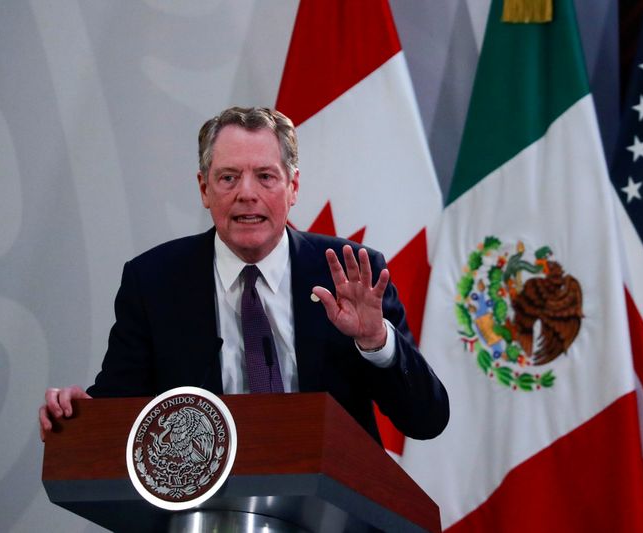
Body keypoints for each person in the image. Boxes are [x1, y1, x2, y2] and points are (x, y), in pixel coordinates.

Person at [39, 106, 449, 445]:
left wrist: (375, 341)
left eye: (266, 177)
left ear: (293, 188)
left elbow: (426, 420)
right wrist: (82, 417)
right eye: (228, 177)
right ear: (204, 189)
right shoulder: (154, 281)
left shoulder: (351, 271)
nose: (246, 193)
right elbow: (119, 412)